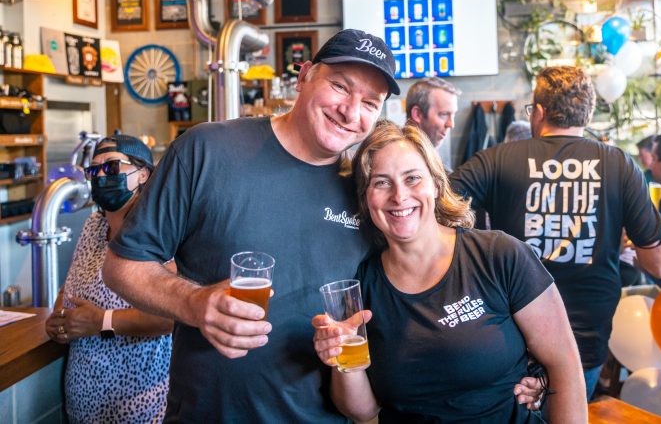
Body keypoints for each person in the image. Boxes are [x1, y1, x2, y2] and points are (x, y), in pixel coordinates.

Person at [100, 30, 540, 421]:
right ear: (304, 75)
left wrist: (524, 366)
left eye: (369, 103)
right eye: (339, 86)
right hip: (210, 411)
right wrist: (194, 302)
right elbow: (122, 266)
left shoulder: (368, 190)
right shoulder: (207, 150)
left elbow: (428, 284)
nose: (351, 111)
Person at [312, 122, 587, 422]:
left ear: (436, 184)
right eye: (381, 182)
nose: (399, 196)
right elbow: (363, 410)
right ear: (365, 199)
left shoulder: (499, 255)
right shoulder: (363, 285)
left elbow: (564, 365)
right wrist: (342, 360)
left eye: (413, 178)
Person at [450, 65, 661, 400]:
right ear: (587, 114)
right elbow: (655, 260)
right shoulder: (619, 163)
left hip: (511, 332)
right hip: (585, 337)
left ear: (540, 112)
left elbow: (435, 205)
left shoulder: (496, 159)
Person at [44, 135, 173, 423]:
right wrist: (60, 318)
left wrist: (101, 322)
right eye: (94, 170)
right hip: (82, 405)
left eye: (112, 167)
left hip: (139, 408)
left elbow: (171, 317)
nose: (100, 176)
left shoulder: (157, 231)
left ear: (143, 174)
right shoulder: (93, 225)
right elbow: (70, 287)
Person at [405, 77, 460, 147]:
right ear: (417, 114)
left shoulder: (425, 154)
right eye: (444, 114)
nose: (451, 124)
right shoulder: (403, 155)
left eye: (453, 115)